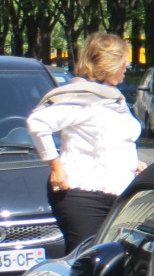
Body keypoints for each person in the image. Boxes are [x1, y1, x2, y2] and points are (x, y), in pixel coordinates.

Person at [26, 33, 144, 252]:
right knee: (87, 263)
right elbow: (38, 123)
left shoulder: (111, 97)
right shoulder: (81, 99)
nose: (128, 64)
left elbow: (113, 140)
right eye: (123, 60)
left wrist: (132, 163)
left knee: (114, 264)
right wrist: (55, 166)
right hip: (83, 196)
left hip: (118, 196)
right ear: (107, 64)